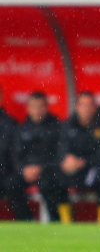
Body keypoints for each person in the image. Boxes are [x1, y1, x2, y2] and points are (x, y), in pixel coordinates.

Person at [57, 91, 100, 223]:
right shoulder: (67, 125)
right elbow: (60, 149)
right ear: (76, 107)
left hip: (94, 169)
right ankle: (64, 221)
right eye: (83, 105)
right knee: (50, 178)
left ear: (95, 107)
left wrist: (84, 162)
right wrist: (66, 160)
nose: (86, 109)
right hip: (72, 169)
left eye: (89, 105)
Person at [7, 91, 65, 221]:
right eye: (34, 106)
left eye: (41, 106)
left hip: (49, 171)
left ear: (47, 108)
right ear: (28, 108)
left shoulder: (56, 128)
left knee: (48, 184)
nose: (37, 110)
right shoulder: (21, 129)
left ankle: (55, 222)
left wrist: (41, 168)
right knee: (11, 184)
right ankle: (27, 221)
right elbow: (15, 155)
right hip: (27, 171)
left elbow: (59, 155)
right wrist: (24, 169)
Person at [0, 86, 17, 209]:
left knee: (13, 184)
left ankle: (26, 222)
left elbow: (6, 151)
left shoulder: (9, 123)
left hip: (5, 172)